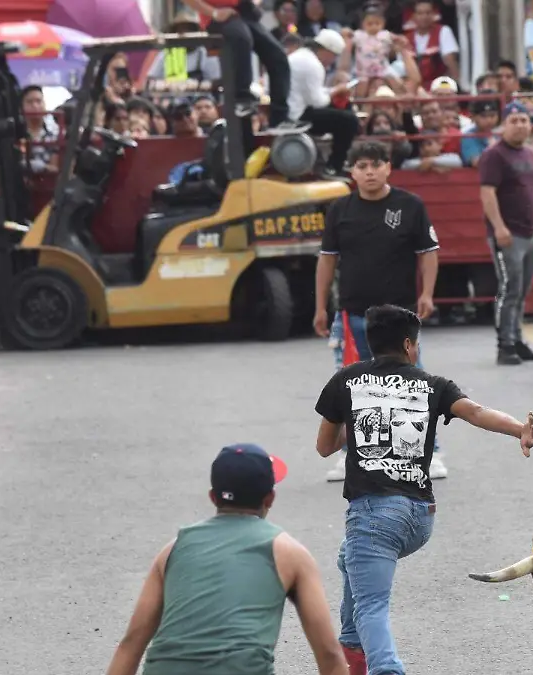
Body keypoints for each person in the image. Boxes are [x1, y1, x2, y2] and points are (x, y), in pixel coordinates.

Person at [313, 304, 533, 675]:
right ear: (408, 345)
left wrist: (352, 421)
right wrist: (520, 430)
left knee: (370, 604)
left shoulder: (346, 380)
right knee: (347, 560)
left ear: (370, 343)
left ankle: (384, 668)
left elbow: (325, 447)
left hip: (373, 518)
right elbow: (477, 412)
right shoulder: (431, 383)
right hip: (419, 518)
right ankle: (353, 649)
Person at [105, 444, 347, 675]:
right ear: (270, 498)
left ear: (213, 497)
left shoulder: (173, 549)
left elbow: (131, 642)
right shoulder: (289, 553)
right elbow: (329, 655)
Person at [314, 141, 449, 482]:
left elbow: (428, 252)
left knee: (413, 386)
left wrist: (428, 294)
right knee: (353, 387)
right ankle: (353, 456)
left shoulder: (410, 205)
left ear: (389, 167)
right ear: (352, 172)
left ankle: (428, 454)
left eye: (376, 164)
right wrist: (320, 306)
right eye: (361, 166)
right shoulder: (340, 210)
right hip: (353, 314)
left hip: (399, 316)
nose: (369, 171)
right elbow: (327, 260)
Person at [477, 101, 533, 365]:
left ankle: (517, 339)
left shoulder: (528, 153)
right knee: (509, 289)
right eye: (515, 120)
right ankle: (505, 345)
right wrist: (499, 227)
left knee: (522, 290)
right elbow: (487, 192)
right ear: (504, 125)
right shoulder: (494, 155)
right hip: (508, 233)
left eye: (525, 120)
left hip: (528, 231)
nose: (521, 125)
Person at [182, 0, 305, 131]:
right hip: (219, 15)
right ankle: (242, 98)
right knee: (241, 38)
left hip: (242, 12)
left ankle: (279, 118)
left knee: (277, 55)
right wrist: (214, 13)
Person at [288, 28, 361, 175]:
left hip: (293, 109)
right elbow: (317, 102)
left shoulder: (301, 57)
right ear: (327, 51)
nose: (332, 61)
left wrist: (332, 91)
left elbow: (312, 94)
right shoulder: (313, 65)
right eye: (333, 56)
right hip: (297, 116)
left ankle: (336, 161)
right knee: (349, 121)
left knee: (344, 109)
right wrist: (336, 91)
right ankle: (334, 165)